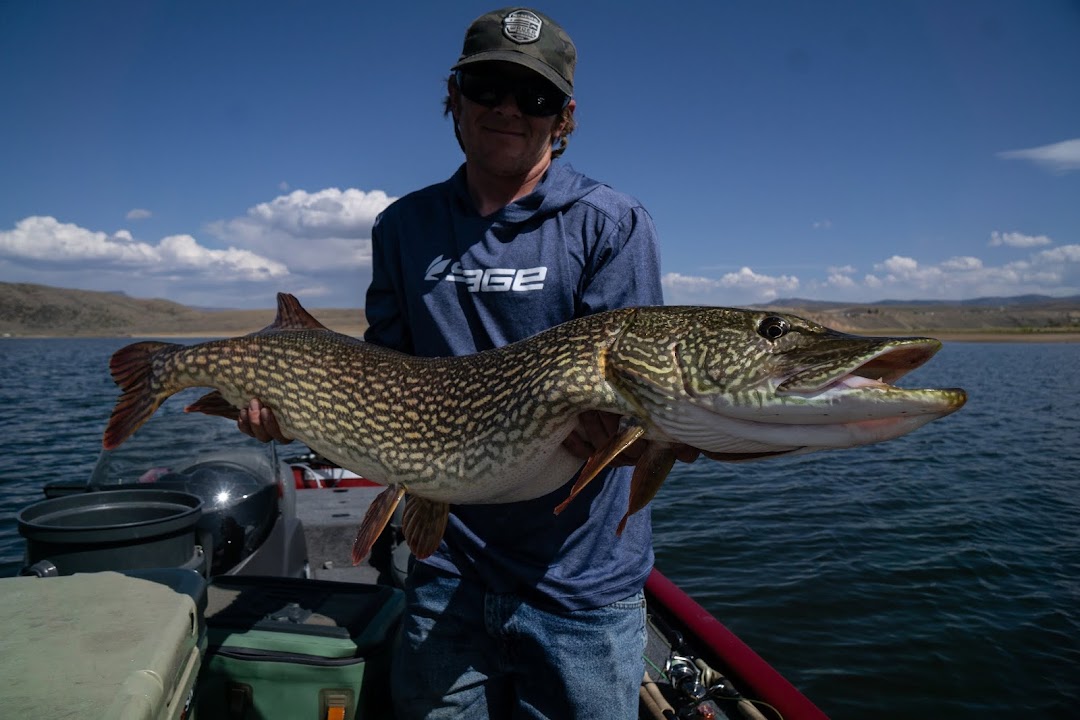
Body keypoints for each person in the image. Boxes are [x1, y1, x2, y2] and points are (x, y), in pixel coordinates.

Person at [240, 7, 693, 718]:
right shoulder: (403, 226)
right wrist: (290, 411)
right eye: (488, 87)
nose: (509, 109)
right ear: (452, 96)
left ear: (564, 116)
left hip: (579, 586)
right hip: (445, 568)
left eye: (535, 96)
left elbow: (637, 397)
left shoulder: (609, 222)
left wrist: (637, 430)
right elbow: (381, 381)